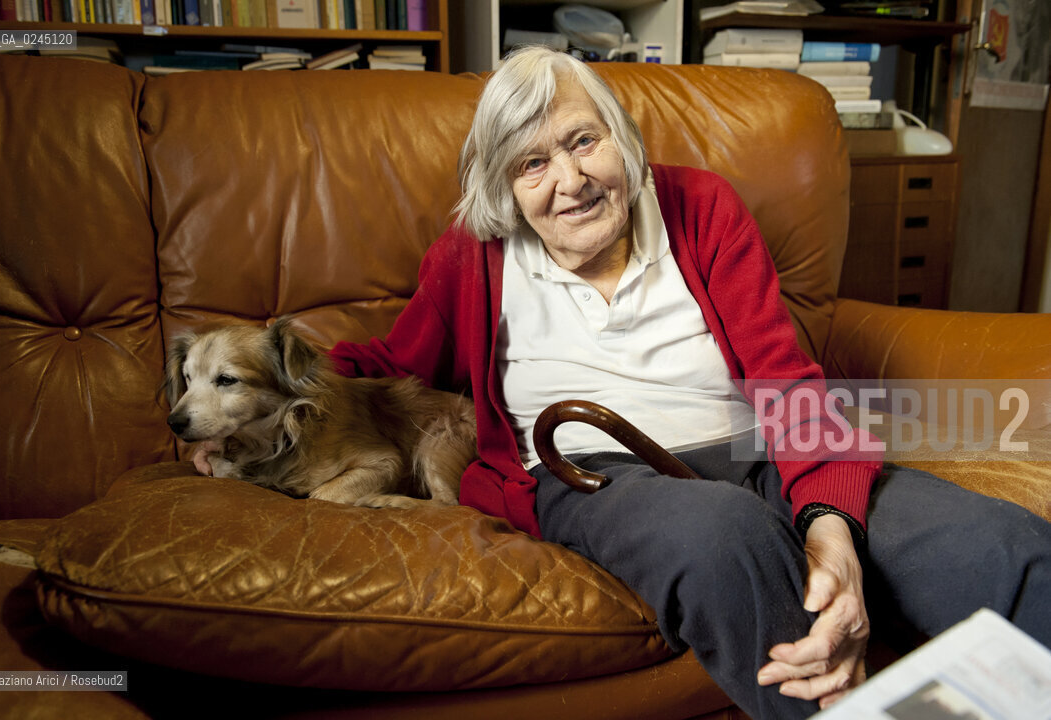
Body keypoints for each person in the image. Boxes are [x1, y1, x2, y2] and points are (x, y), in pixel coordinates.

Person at [200, 46, 1051, 719]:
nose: (569, 181)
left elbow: (786, 380)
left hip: (754, 447)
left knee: (1003, 547)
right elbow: (393, 361)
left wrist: (828, 520)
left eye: (581, 141)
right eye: (531, 165)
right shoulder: (473, 255)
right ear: (504, 188)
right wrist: (256, 410)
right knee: (723, 538)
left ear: (622, 138)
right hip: (592, 470)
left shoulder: (702, 209)